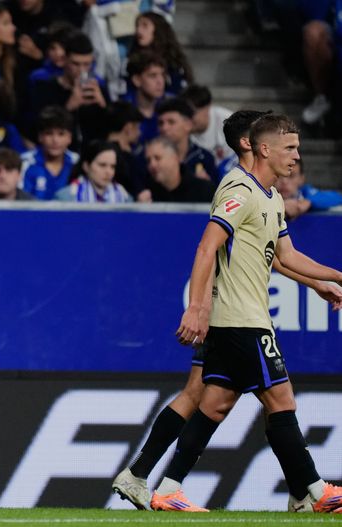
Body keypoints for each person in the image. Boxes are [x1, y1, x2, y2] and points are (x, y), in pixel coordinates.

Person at [112, 109, 342, 512]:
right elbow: (207, 246)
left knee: (213, 401)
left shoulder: (270, 197)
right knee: (282, 401)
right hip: (241, 319)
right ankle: (315, 491)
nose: (296, 157)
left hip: (244, 318)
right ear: (259, 146)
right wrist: (197, 308)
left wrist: (327, 279)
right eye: (290, 148)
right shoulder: (239, 189)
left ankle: (167, 486)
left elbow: (284, 256)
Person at [29, 32, 107, 146]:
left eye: (87, 64)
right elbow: (37, 128)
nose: (82, 70)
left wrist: (103, 105)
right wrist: (69, 106)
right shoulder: (45, 88)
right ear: (64, 60)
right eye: (76, 64)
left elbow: (110, 131)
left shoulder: (97, 89)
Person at [21, 105, 78, 201]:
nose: (55, 140)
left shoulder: (77, 163)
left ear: (69, 138)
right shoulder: (24, 163)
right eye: (49, 133)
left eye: (61, 134)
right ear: (40, 137)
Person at [156, 97, 219, 183]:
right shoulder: (152, 160)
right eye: (160, 123)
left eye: (171, 122)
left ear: (188, 125)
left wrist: (207, 187)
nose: (164, 128)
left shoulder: (205, 158)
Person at [129, 11, 193, 94]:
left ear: (158, 29)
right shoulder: (131, 58)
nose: (138, 31)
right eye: (137, 26)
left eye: (145, 26)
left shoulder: (173, 61)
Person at [180, 85, 235, 174]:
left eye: (192, 113)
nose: (188, 119)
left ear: (207, 107)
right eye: (184, 114)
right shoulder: (182, 128)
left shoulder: (228, 120)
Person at [145, 136, 215, 203]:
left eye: (157, 158)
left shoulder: (204, 191)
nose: (152, 165)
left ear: (175, 158)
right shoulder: (148, 195)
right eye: (148, 161)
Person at [56, 140, 129, 203]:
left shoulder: (125, 198)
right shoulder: (65, 198)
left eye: (112, 166)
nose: (108, 172)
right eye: (102, 165)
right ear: (86, 166)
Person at [105, 101, 149, 201]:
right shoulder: (129, 161)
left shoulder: (94, 151)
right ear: (128, 128)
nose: (139, 133)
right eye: (138, 128)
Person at [124, 50, 167, 148]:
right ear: (137, 80)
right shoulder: (123, 111)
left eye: (162, 75)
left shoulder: (169, 108)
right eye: (153, 76)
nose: (160, 81)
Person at [275, 158, 342, 219]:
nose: (284, 181)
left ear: (301, 179)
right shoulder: (266, 194)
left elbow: (338, 197)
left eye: (291, 176)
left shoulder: (306, 193)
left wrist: (308, 202)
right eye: (279, 175)